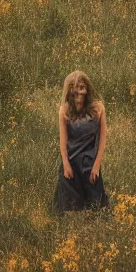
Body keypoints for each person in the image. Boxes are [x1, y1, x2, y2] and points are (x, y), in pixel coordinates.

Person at [53, 70, 109, 212]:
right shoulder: (64, 110)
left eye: (82, 87)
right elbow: (63, 141)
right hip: (72, 159)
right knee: (67, 207)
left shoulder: (98, 108)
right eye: (75, 88)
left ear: (87, 89)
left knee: (96, 207)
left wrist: (96, 165)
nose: (79, 93)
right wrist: (65, 164)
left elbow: (102, 139)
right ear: (69, 90)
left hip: (90, 160)